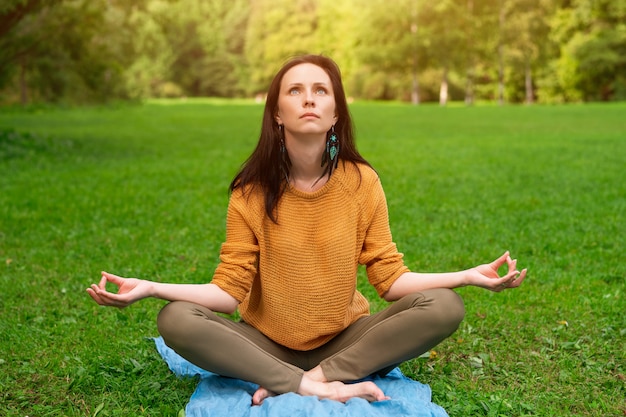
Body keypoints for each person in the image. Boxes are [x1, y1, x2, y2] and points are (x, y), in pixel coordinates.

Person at [87, 54, 527, 406]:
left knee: (445, 306)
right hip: (264, 345)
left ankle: (310, 381)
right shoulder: (250, 191)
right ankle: (308, 384)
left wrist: (468, 276)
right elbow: (227, 293)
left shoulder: (361, 183)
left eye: (321, 90)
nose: (309, 99)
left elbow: (392, 281)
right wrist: (150, 287)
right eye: (295, 91)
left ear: (335, 112)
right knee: (174, 318)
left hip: (345, 342)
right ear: (277, 112)